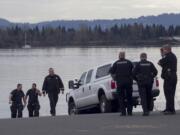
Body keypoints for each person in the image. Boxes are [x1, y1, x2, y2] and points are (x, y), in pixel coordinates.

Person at [110, 52, 133, 116]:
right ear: (124, 56)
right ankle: (130, 112)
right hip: (128, 82)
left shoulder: (116, 63)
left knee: (121, 97)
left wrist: (114, 78)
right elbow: (133, 71)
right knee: (129, 97)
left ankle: (123, 112)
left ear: (119, 56)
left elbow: (111, 72)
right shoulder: (129, 62)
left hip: (120, 82)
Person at [158, 45, 177, 115]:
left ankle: (171, 109)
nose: (163, 51)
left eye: (163, 50)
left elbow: (159, 62)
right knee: (169, 93)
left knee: (169, 93)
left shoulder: (168, 56)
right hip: (172, 76)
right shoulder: (172, 56)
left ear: (167, 50)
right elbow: (163, 64)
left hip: (169, 77)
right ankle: (168, 108)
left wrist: (162, 55)